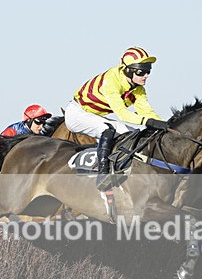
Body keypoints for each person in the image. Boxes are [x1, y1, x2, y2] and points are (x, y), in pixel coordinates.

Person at [64, 47, 168, 190]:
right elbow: (122, 114)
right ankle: (103, 174)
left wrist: (165, 125)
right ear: (128, 70)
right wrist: (148, 122)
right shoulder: (111, 81)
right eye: (141, 71)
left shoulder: (138, 89)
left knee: (133, 134)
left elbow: (147, 112)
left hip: (93, 115)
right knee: (108, 129)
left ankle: (124, 169)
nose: (146, 75)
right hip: (76, 114)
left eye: (148, 71)